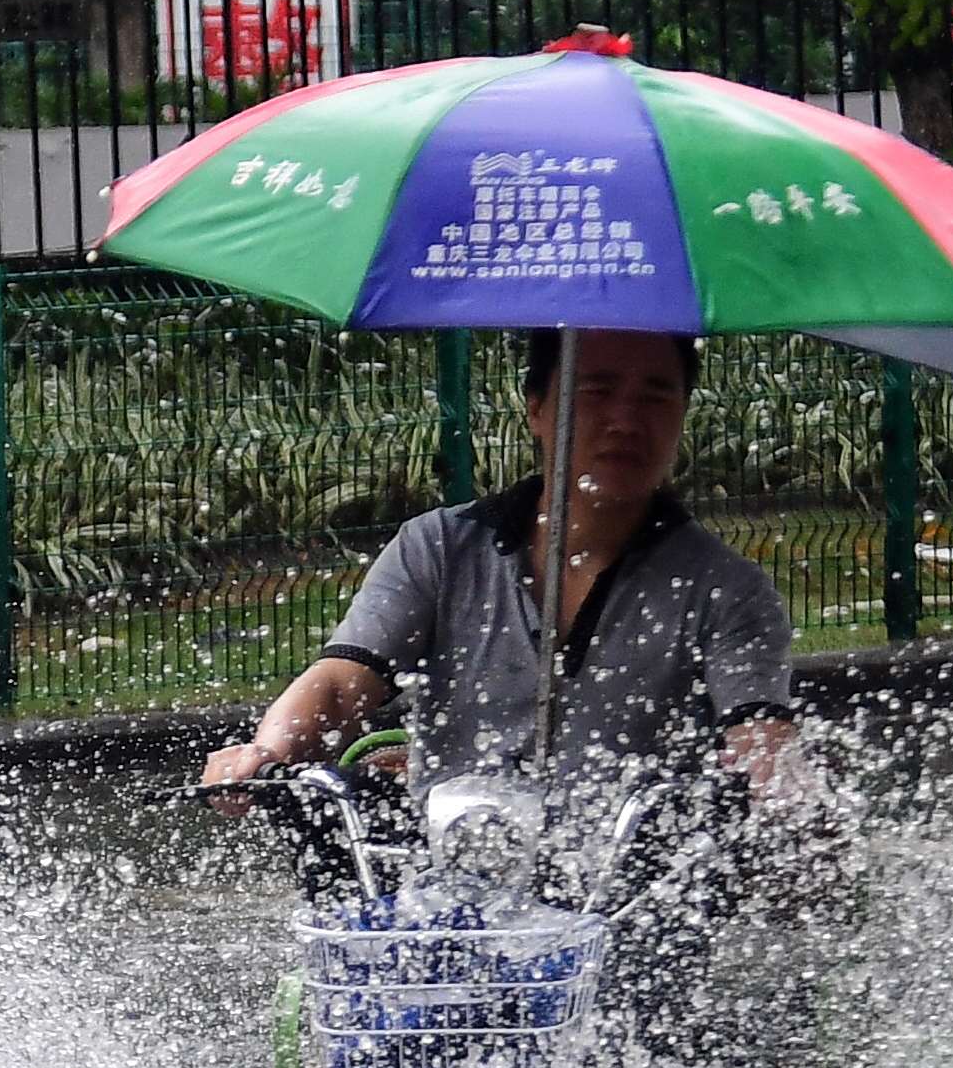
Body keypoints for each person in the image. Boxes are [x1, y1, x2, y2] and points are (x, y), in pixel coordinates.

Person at [200, 330, 812, 814]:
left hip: (633, 908)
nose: (627, 419)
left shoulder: (727, 591)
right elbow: (343, 679)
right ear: (538, 408)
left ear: (682, 413)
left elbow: (759, 738)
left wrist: (789, 802)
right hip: (449, 885)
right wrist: (266, 750)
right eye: (595, 390)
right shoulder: (440, 547)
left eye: (656, 394)